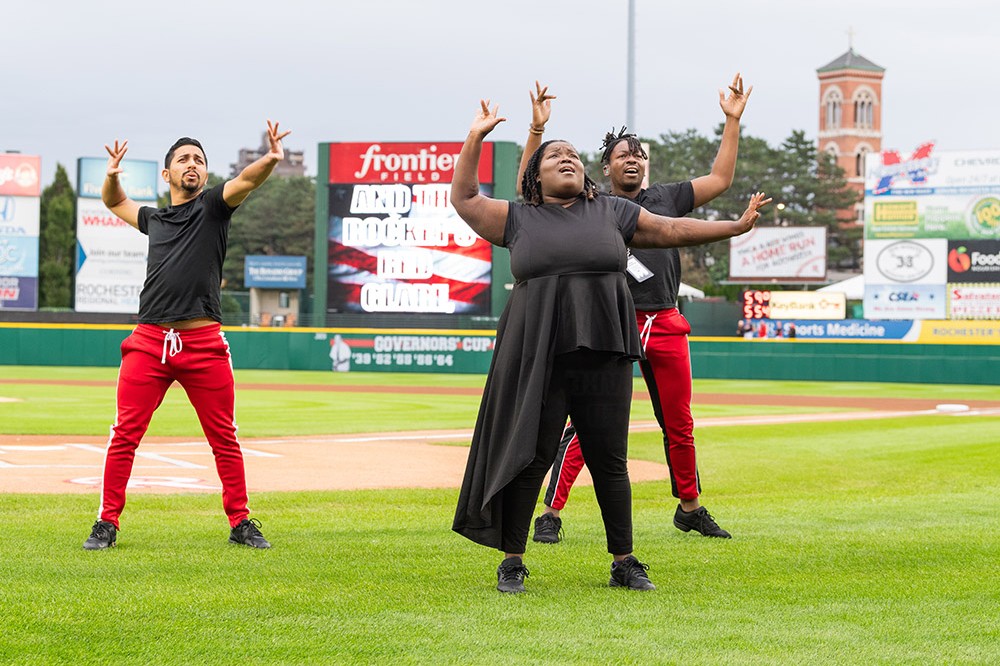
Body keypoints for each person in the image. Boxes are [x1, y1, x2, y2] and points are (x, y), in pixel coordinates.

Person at [450, 96, 768, 593]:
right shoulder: (517, 218)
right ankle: (513, 561)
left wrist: (735, 226)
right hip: (540, 351)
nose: (568, 159)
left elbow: (672, 228)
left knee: (609, 458)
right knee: (533, 455)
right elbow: (465, 197)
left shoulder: (613, 211)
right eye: (556, 156)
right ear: (536, 178)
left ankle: (624, 561)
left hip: (605, 347)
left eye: (573, 154)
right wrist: (475, 137)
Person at [522, 76, 751, 544]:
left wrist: (731, 121)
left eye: (640, 155)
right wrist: (536, 133)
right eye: (624, 154)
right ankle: (552, 512)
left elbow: (721, 180)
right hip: (614, 321)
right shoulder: (590, 203)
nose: (634, 160)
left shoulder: (664, 198)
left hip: (665, 318)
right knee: (588, 424)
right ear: (604, 168)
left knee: (679, 423)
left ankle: (689, 508)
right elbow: (531, 192)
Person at [82, 120, 291, 551]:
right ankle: (106, 522)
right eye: (183, 159)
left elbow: (245, 180)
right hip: (148, 341)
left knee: (224, 437)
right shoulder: (154, 219)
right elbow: (114, 201)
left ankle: (241, 521)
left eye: (198, 160)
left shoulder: (214, 207)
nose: (191, 164)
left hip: (203, 343)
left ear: (205, 174)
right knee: (125, 434)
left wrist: (269, 160)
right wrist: (110, 176)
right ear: (167, 174)